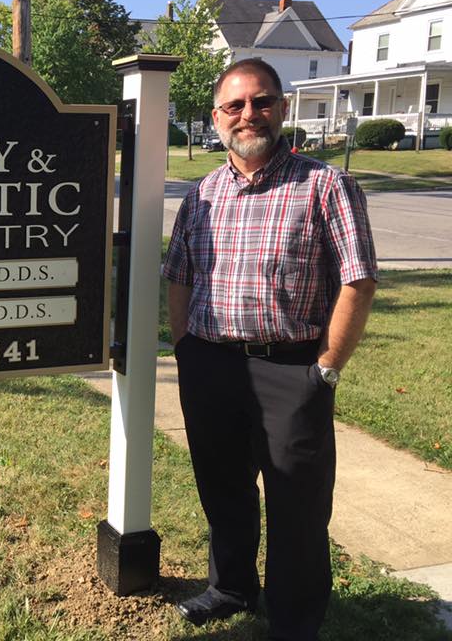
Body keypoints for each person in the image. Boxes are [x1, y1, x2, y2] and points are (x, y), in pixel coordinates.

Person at [163, 58, 377, 641]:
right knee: (222, 486)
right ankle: (230, 587)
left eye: (261, 101)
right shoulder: (202, 194)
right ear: (217, 118)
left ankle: (293, 620)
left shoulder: (325, 185)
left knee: (297, 504)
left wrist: (325, 369)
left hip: (291, 369)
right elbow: (178, 274)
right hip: (210, 364)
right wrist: (185, 349)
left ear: (282, 107)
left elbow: (358, 281)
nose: (248, 114)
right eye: (234, 105)